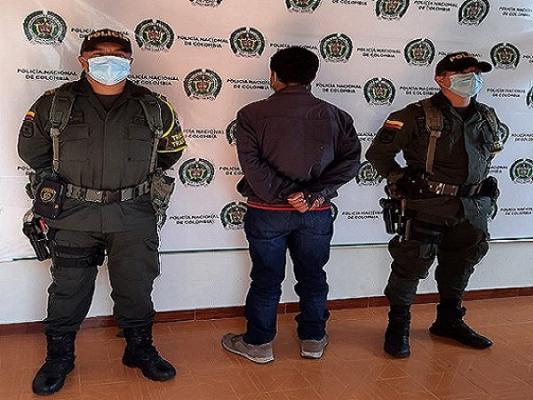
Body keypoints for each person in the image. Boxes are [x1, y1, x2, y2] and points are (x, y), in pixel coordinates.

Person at [18, 29, 186, 395]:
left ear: (129, 61)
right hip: (72, 215)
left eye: (118, 55)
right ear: (83, 61)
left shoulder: (154, 107)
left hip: (133, 214)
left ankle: (139, 348)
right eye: (99, 55)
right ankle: (59, 357)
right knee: (68, 288)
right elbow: (33, 153)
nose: (109, 61)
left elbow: (170, 153)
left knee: (136, 284)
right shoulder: (54, 104)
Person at [221, 46, 361, 363]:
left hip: (267, 213)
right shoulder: (337, 116)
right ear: (312, 76)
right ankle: (313, 340)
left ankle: (259, 345)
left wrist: (290, 194)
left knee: (266, 278)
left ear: (274, 76)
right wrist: (311, 195)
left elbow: (253, 167)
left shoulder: (251, 114)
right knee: (313, 277)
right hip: (315, 213)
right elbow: (351, 163)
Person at [366, 52, 503, 358]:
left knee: (461, 264)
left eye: (476, 73)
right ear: (441, 79)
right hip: (428, 205)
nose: (472, 79)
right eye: (463, 74)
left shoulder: (487, 115)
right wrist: (400, 178)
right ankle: (398, 326)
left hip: (471, 208)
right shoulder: (414, 116)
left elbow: (487, 155)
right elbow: (377, 155)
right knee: (410, 265)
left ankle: (449, 320)